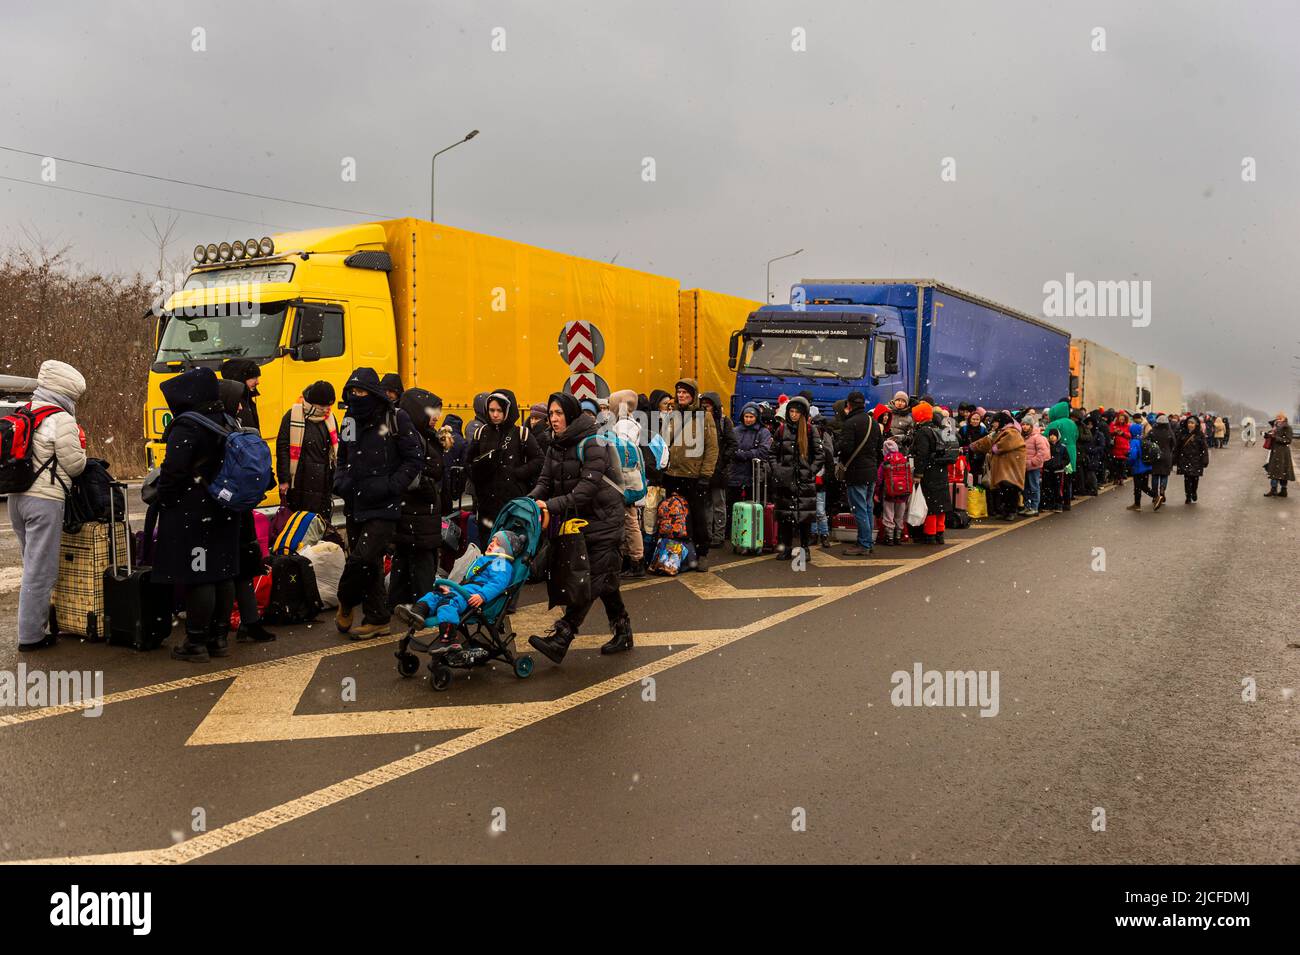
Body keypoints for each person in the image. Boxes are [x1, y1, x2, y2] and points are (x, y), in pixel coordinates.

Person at [528, 392, 632, 662]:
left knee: (588, 580)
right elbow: (545, 480)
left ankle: (563, 636)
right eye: (551, 414)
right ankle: (623, 631)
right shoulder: (556, 444)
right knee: (604, 579)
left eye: (558, 413)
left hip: (605, 520)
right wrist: (529, 501)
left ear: (571, 415)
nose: (553, 419)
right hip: (580, 521)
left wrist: (551, 505)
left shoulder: (593, 442)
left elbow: (586, 489)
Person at [153, 368, 242, 662]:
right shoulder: (228, 420)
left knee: (199, 575)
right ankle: (219, 639)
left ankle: (196, 641)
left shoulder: (188, 425)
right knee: (223, 572)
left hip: (193, 509)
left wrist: (164, 496)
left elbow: (173, 471)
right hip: (224, 506)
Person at [333, 367, 424, 639]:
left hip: (384, 505)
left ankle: (346, 600)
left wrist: (391, 486)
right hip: (355, 501)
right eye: (352, 391)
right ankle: (377, 618)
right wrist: (341, 482)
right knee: (370, 563)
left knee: (361, 559)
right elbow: (342, 456)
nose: (356, 396)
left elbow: (414, 459)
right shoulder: (349, 419)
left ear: (372, 393)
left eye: (361, 391)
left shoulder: (397, 418)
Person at [8, 360, 87, 652]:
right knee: (40, 571)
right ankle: (31, 636)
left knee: (31, 565)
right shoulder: (61, 418)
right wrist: (83, 448)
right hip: (44, 501)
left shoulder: (24, 411)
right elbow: (75, 465)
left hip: (16, 498)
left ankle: (38, 625)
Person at [218, 379, 277, 644]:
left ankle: (247, 623)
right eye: (238, 401)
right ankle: (241, 625)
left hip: (233, 508)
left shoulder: (224, 426)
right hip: (235, 509)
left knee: (239, 569)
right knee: (236, 569)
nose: (242, 406)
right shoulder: (228, 428)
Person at [395, 530, 521, 644]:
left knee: (448, 603)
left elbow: (497, 584)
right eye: (492, 541)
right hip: (463, 591)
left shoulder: (501, 564)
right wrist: (451, 589)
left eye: (497, 543)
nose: (492, 544)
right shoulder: (486, 560)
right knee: (433, 595)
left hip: (473, 596)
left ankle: (448, 635)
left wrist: (482, 596)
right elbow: (468, 581)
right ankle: (417, 613)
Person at [388, 388, 445, 613]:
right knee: (421, 560)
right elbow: (412, 474)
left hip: (418, 512)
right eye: (432, 412)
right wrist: (431, 490)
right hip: (417, 512)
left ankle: (398, 603)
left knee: (405, 557)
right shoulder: (413, 437)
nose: (437, 417)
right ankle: (424, 606)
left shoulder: (421, 434)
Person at [466, 389, 542, 542]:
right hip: (486, 504)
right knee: (488, 546)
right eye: (491, 410)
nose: (495, 415)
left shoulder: (521, 434)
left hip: (513, 504)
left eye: (499, 410)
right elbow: (468, 461)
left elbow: (539, 459)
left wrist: (518, 474)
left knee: (512, 546)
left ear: (508, 410)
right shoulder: (481, 433)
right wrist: (477, 475)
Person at [661, 378, 719, 571]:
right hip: (672, 474)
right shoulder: (673, 415)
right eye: (679, 392)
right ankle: (676, 554)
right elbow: (663, 442)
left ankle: (702, 553)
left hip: (694, 475)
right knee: (674, 517)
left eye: (685, 392)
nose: (681, 395)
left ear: (693, 396)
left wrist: (705, 475)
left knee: (697, 516)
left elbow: (712, 448)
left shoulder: (704, 417)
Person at [769, 396, 823, 559]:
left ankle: (805, 548)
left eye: (797, 412)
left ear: (803, 413)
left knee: (804, 518)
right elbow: (772, 453)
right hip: (785, 480)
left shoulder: (809, 430)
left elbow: (820, 455)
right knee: (785, 516)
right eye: (791, 411)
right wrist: (778, 470)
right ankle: (786, 547)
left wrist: (810, 472)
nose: (793, 415)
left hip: (804, 480)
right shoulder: (781, 430)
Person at [276, 381, 338, 518]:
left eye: (329, 405)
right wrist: (284, 479)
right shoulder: (292, 416)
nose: (326, 409)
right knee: (300, 526)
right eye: (323, 405)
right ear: (313, 402)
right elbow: (283, 449)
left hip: (323, 486)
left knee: (321, 526)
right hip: (299, 484)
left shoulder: (330, 418)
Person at [836, 390, 883, 556]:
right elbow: (879, 450)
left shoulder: (850, 423)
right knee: (868, 508)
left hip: (856, 473)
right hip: (871, 472)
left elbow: (846, 449)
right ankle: (868, 542)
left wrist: (839, 447)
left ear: (849, 405)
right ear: (863, 404)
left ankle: (863, 543)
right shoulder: (873, 422)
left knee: (860, 509)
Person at [609, 389, 648, 578]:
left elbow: (621, 452)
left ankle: (636, 562)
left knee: (630, 521)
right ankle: (632, 560)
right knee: (629, 520)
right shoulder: (630, 421)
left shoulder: (624, 424)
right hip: (630, 479)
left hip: (625, 480)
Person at [968, 411, 1026, 523]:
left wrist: (995, 447)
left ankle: (1011, 511)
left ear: (1000, 422)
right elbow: (987, 441)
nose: (993, 424)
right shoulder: (1000, 432)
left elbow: (1005, 445)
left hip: (1012, 467)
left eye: (994, 422)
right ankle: (1005, 511)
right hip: (1005, 467)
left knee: (1011, 489)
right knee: (1004, 489)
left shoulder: (1012, 432)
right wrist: (973, 446)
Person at [700, 391, 736, 548]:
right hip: (703, 469)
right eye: (703, 405)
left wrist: (722, 461)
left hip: (718, 471)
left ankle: (718, 536)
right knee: (706, 505)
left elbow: (732, 443)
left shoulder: (723, 421)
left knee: (718, 504)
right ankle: (707, 535)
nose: (705, 407)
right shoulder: (699, 421)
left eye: (708, 405)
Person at [1042, 401, 1077, 511]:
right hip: (1071, 453)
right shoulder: (1072, 423)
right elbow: (1077, 436)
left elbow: (1044, 437)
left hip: (1058, 456)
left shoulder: (1055, 424)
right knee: (1067, 480)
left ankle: (1057, 503)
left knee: (1057, 483)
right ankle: (1067, 503)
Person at [876, 437, 911, 546]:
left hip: (889, 493)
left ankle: (889, 538)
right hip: (903, 494)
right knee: (899, 515)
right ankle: (898, 537)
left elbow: (879, 479)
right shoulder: (904, 460)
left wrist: (877, 492)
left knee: (888, 514)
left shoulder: (885, 462)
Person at [219, 358, 263, 433]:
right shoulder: (232, 404)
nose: (257, 382)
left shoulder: (247, 400)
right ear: (241, 379)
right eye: (253, 378)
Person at [1175, 415, 1209, 503]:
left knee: (1195, 478)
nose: (1190, 425)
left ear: (1196, 424)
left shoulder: (1200, 434)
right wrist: (1175, 459)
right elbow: (1177, 447)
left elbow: (1204, 448)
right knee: (1187, 479)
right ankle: (1188, 496)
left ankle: (1194, 492)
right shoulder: (1183, 433)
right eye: (1189, 423)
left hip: (1196, 460)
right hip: (1185, 459)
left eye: (1192, 423)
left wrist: (1205, 459)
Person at [1020, 417, 1049, 516]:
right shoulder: (1022, 436)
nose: (1025, 426)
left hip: (1033, 467)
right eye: (1023, 424)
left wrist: (1033, 462)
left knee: (1034, 487)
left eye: (1027, 424)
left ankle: (1034, 507)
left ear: (1031, 426)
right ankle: (1027, 506)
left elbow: (1043, 452)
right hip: (1023, 467)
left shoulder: (1037, 437)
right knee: (1025, 488)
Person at [1148, 414, 1175, 509]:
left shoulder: (1152, 432)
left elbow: (1148, 442)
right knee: (1164, 475)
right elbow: (1173, 444)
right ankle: (1162, 489)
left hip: (1155, 456)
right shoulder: (1169, 432)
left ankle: (1155, 495)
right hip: (1167, 455)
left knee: (1155, 475)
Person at [1264, 413, 1295, 497]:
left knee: (1281, 471)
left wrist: (1275, 437)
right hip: (1275, 451)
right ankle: (1274, 489)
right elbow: (1274, 434)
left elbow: (1288, 440)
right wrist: (1267, 436)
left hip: (1283, 453)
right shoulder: (1276, 427)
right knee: (1275, 470)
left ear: (1284, 418)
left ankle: (1282, 490)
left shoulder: (1287, 427)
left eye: (1279, 418)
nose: (1277, 419)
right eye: (1277, 418)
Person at [1125, 422, 1153, 511]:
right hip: (1147, 466)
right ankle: (1156, 496)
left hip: (1138, 467)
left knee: (1137, 487)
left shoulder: (1134, 441)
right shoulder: (1143, 439)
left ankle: (1137, 504)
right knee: (1144, 486)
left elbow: (1133, 455)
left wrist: (1129, 463)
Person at [959, 410, 989, 485]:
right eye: (973, 419)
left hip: (979, 457)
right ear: (970, 420)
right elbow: (959, 442)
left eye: (977, 419)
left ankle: (975, 491)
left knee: (977, 476)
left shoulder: (983, 430)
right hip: (966, 456)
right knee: (966, 475)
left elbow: (986, 444)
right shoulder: (964, 429)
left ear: (980, 420)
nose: (975, 421)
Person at [1109, 412, 1132, 486]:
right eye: (1120, 419)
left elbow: (1129, 436)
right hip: (1116, 447)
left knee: (1122, 465)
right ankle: (1116, 478)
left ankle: (1121, 479)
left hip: (1124, 448)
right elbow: (1110, 432)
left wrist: (1123, 433)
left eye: (1123, 419)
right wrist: (1114, 432)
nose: (1121, 420)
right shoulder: (1114, 425)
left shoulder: (1128, 426)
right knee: (1115, 465)